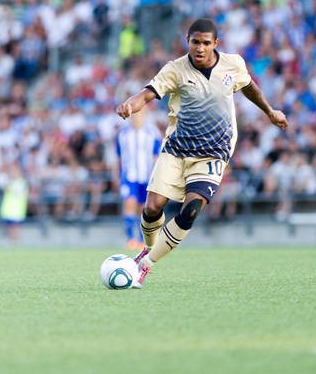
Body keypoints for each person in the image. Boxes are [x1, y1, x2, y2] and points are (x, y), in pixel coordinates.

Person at [116, 18, 288, 288]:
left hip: (213, 152)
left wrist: (270, 111)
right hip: (176, 149)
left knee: (191, 209)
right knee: (151, 208)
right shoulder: (175, 69)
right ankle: (147, 251)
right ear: (188, 41)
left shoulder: (233, 64)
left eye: (206, 43)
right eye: (195, 42)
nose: (200, 48)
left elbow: (248, 86)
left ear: (215, 44)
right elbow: (148, 93)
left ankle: (145, 267)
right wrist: (131, 102)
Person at [114, 107, 161, 250]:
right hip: (129, 176)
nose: (136, 117)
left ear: (144, 115)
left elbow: (156, 157)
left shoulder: (152, 133)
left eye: (139, 114)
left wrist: (157, 176)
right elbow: (118, 157)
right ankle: (131, 239)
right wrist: (115, 175)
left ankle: (142, 240)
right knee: (130, 203)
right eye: (134, 114)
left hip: (147, 176)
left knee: (143, 208)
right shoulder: (122, 134)